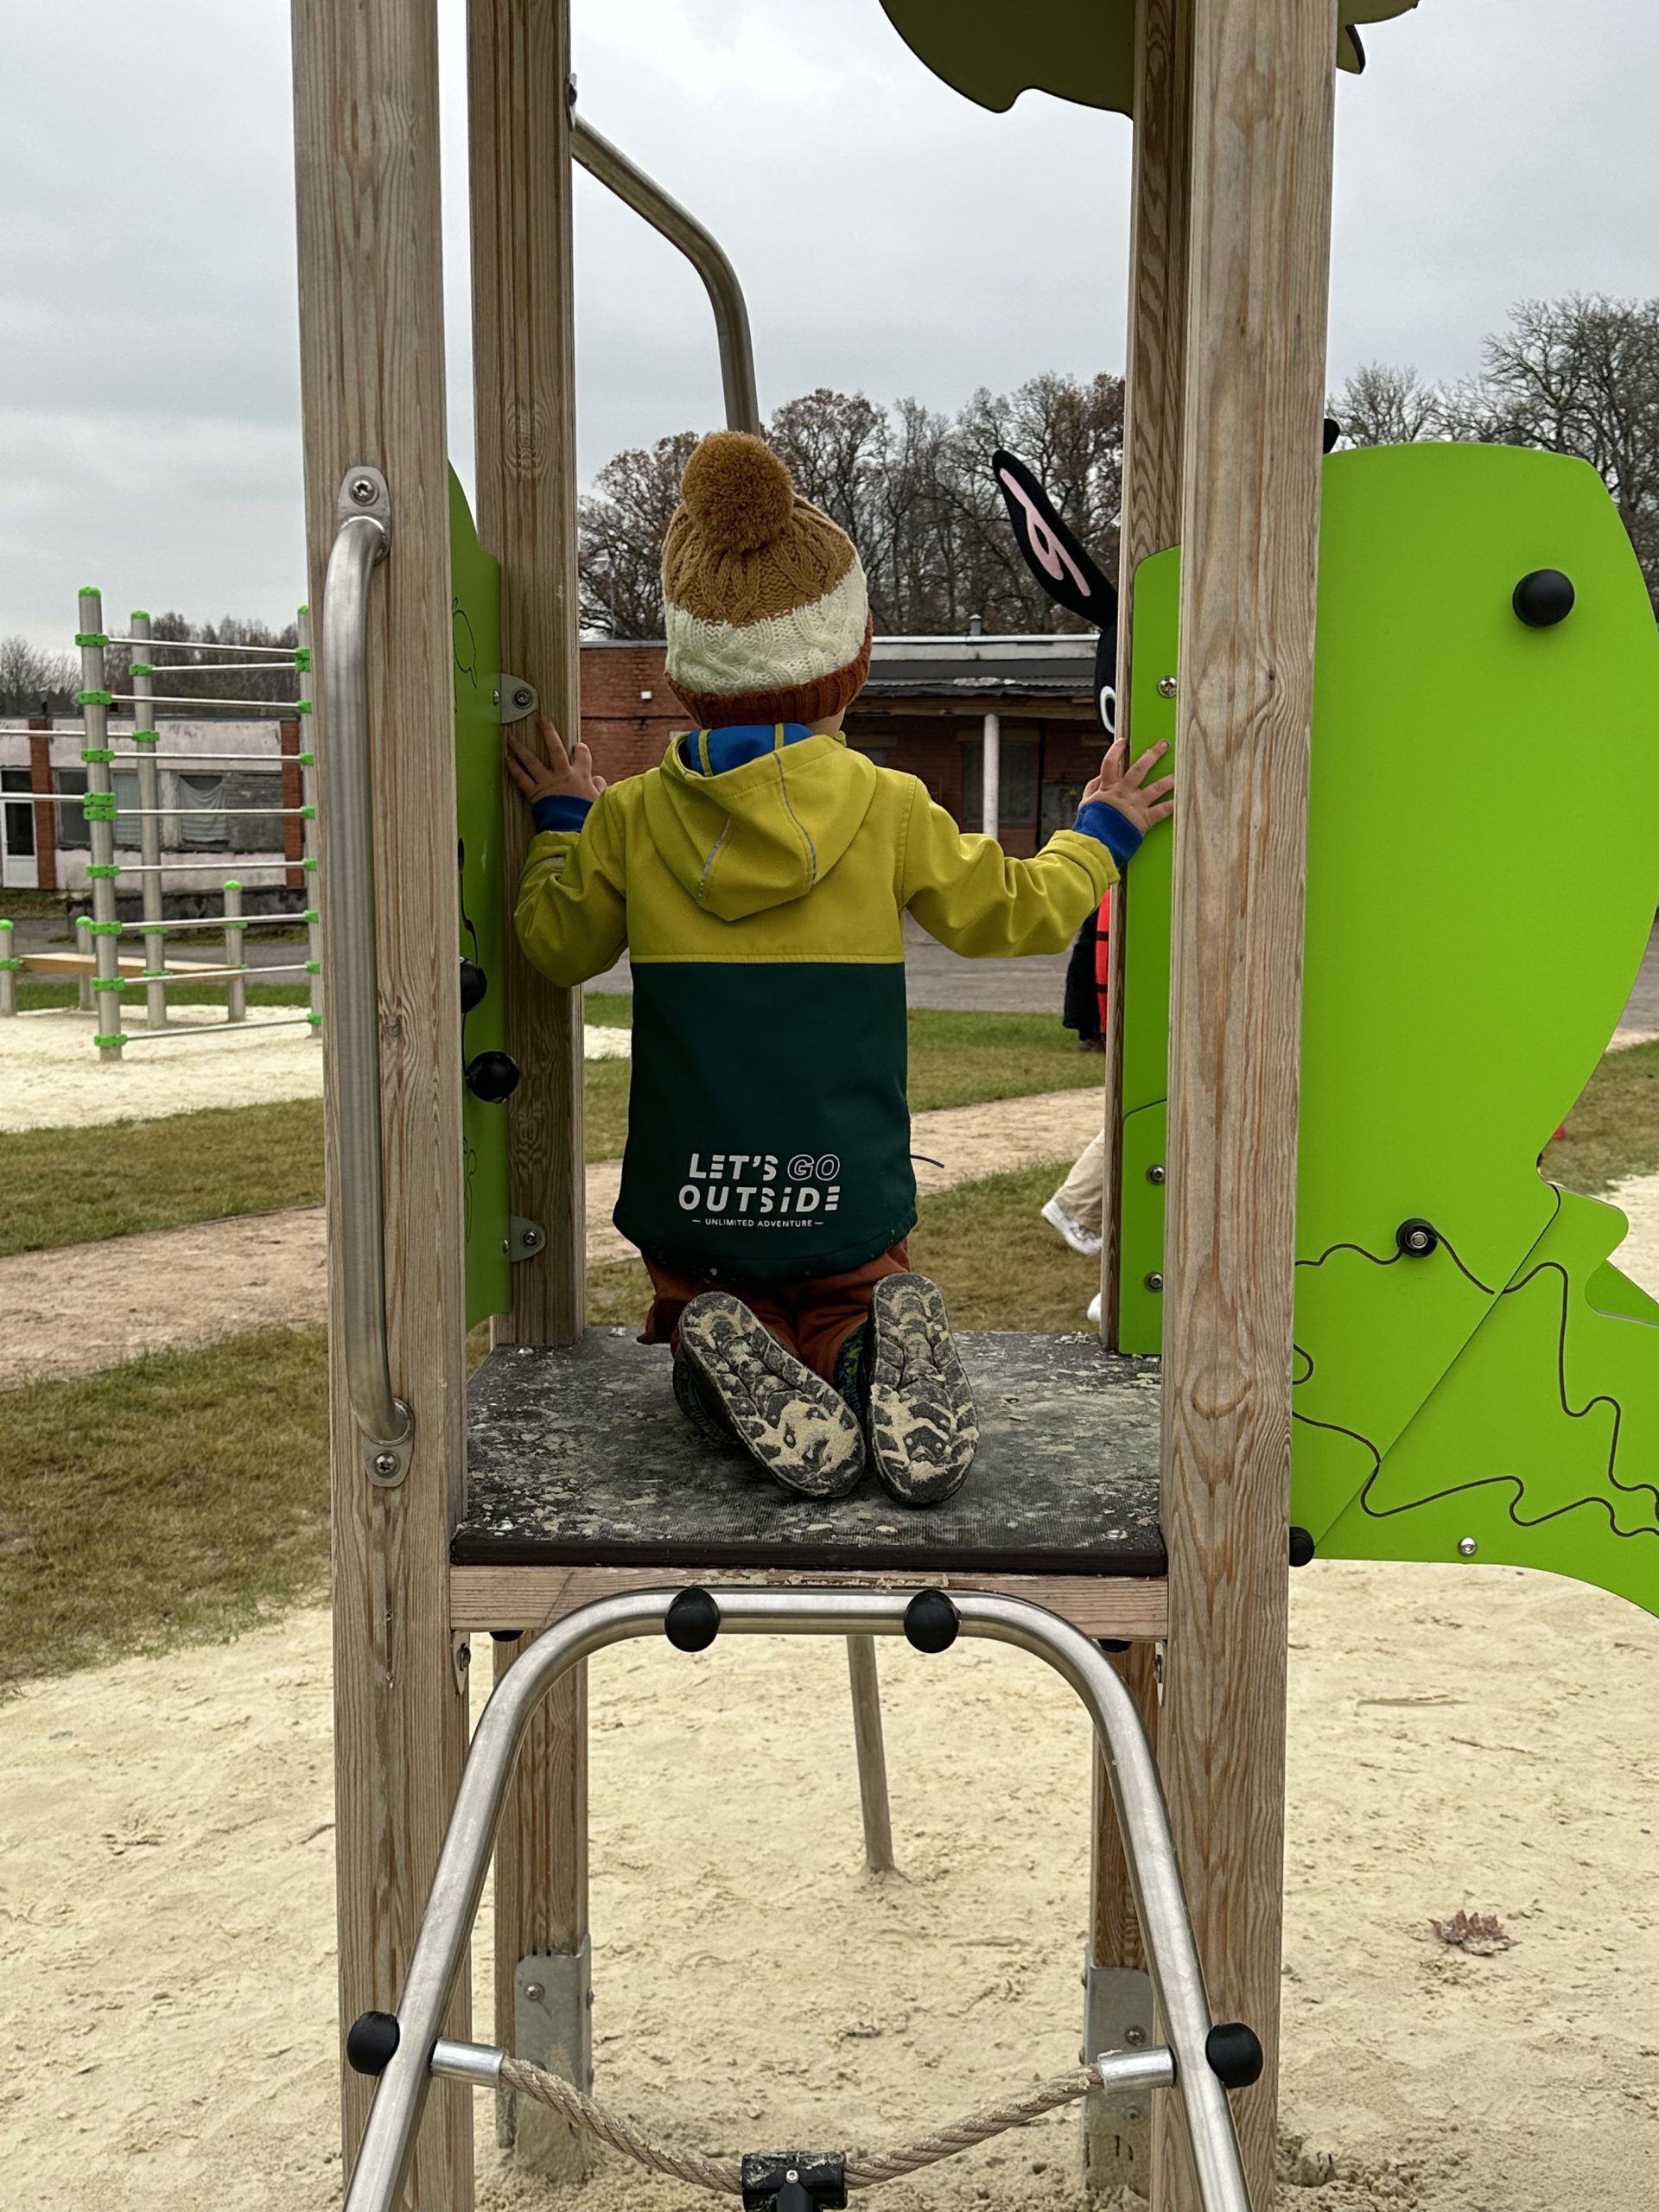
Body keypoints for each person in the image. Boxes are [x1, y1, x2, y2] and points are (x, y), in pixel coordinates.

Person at [506, 430, 1171, 1509]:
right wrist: (1101, 832)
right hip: (844, 1181)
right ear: (852, 656)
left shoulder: (628, 819)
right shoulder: (886, 805)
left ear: (683, 673)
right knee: (853, 1293)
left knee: (707, 1314)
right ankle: (866, 1348)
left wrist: (560, 821)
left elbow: (555, 943)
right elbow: (1019, 913)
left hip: (696, 1192)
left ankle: (722, 1351)